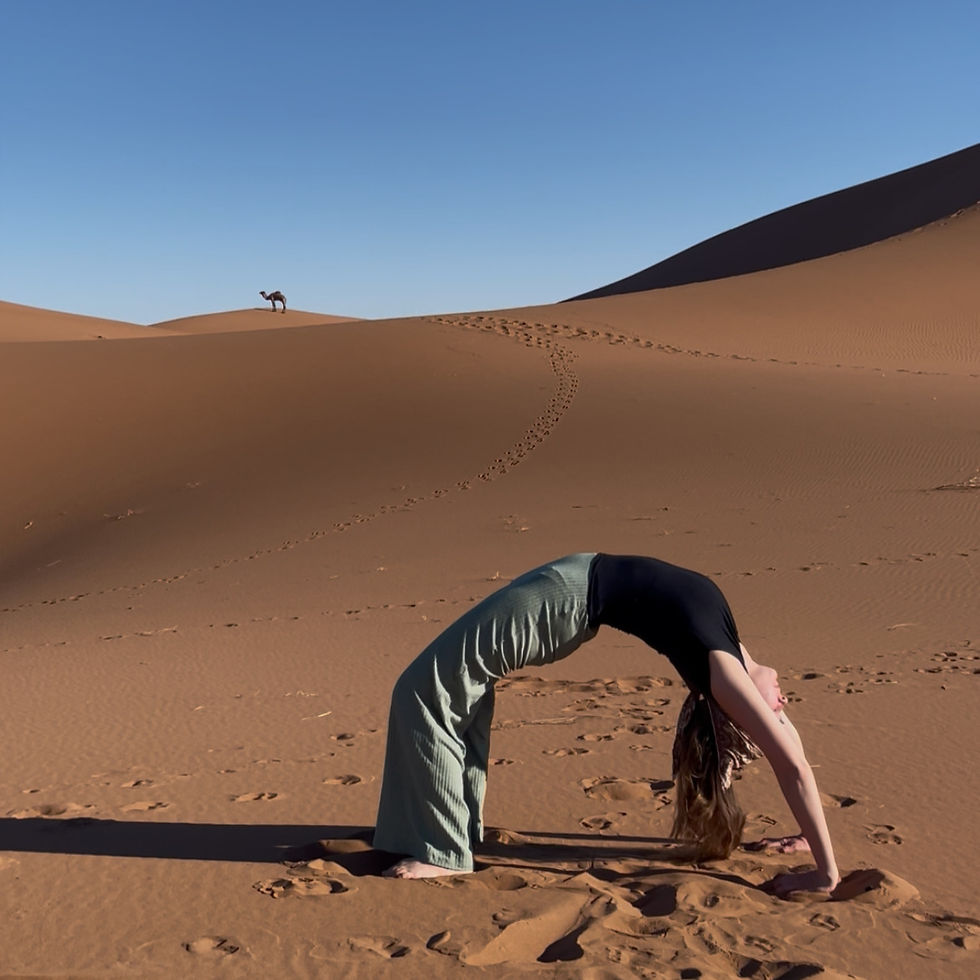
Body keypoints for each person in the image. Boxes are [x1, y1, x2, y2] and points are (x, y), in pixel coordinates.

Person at [373, 553, 840, 897]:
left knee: (420, 688)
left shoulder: (723, 674)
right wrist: (806, 835)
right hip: (571, 584)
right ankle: (456, 829)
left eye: (774, 714)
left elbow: (792, 764)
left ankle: (444, 855)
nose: (783, 705)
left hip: (564, 601)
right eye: (782, 710)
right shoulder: (735, 649)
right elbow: (789, 749)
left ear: (736, 713)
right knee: (459, 689)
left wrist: (826, 873)